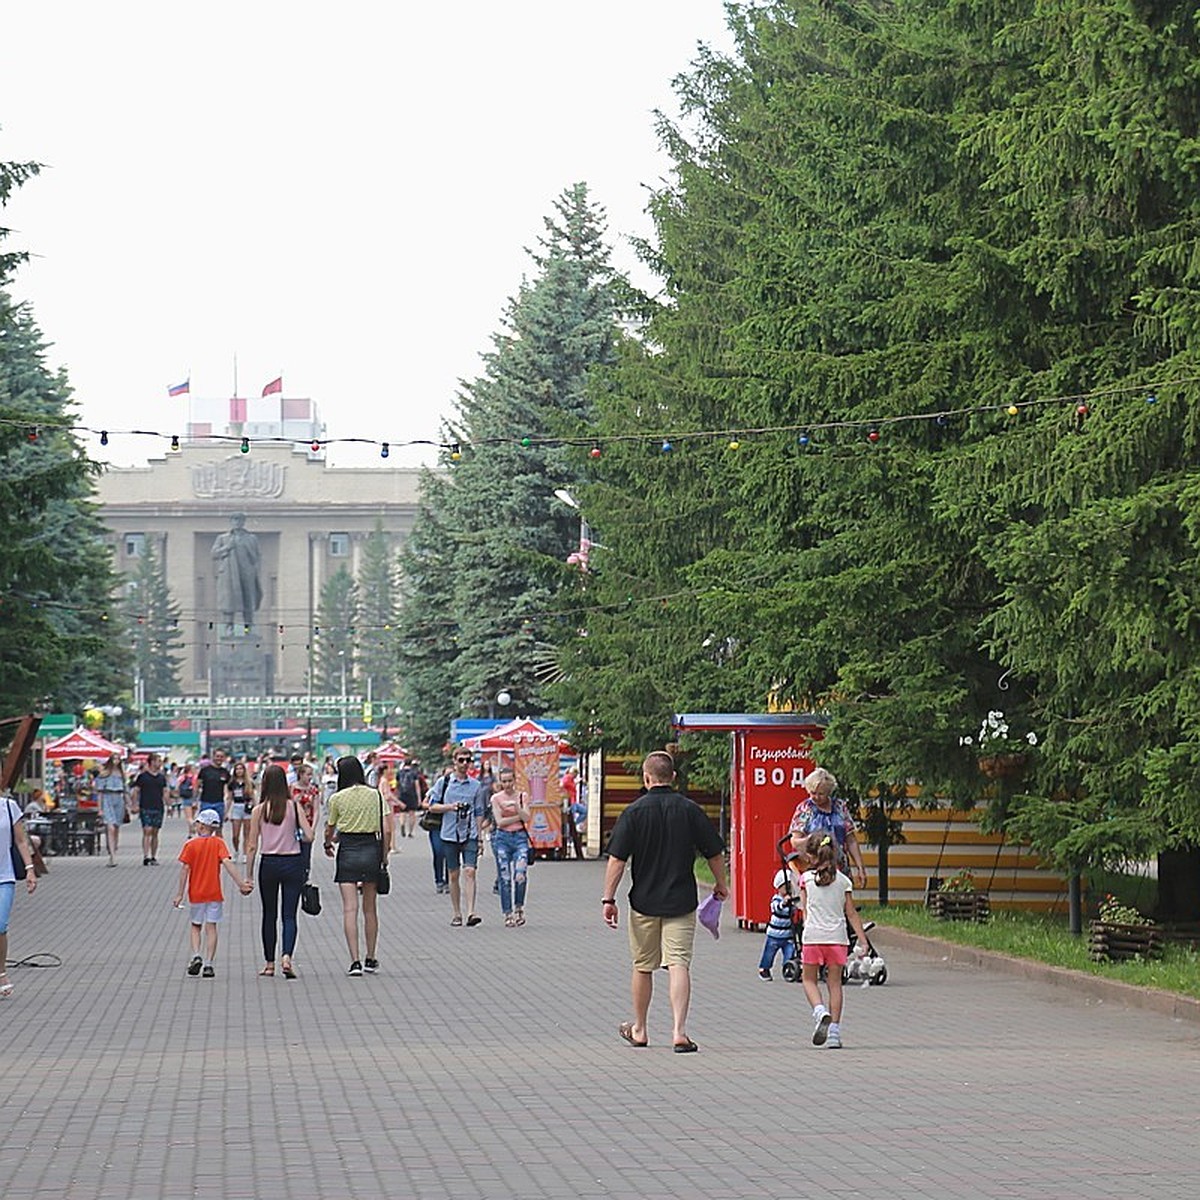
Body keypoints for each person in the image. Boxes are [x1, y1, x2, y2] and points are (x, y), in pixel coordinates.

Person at [602, 751, 728, 1053]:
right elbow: (714, 852)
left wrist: (608, 899)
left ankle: (641, 1029)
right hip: (681, 901)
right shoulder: (690, 810)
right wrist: (721, 884)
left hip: (643, 901)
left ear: (646, 779)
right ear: (673, 777)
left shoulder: (633, 812)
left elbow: (617, 860)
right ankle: (679, 1032)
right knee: (678, 963)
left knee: (643, 966)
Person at [797, 832, 871, 1050]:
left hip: (813, 937)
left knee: (809, 980)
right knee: (835, 984)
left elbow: (804, 911)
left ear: (810, 857)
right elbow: (851, 913)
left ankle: (820, 1012)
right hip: (837, 939)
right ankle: (835, 1034)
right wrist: (863, 940)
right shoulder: (844, 882)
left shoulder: (806, 880)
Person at [323, 755, 392, 976]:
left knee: (349, 908)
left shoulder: (337, 798)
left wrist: (327, 843)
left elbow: (330, 827)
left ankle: (354, 962)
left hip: (348, 849)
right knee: (370, 909)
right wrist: (384, 855)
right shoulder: (376, 795)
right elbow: (387, 829)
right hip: (371, 848)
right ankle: (371, 957)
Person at [245, 765, 313, 979]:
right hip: (293, 862)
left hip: (269, 863)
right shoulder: (293, 807)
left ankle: (269, 963)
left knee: (269, 914)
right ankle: (287, 957)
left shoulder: (259, 810)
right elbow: (310, 836)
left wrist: (247, 875)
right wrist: (295, 836)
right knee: (289, 915)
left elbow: (251, 845)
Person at [173, 808, 253, 978]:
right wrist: (241, 883)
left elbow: (185, 869)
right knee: (211, 927)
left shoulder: (190, 845)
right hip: (214, 893)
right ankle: (209, 963)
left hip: (196, 893)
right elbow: (228, 864)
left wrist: (180, 893)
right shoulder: (219, 843)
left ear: (202, 826)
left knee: (196, 926)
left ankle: (196, 955)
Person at [426, 748, 488, 926]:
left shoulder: (476, 785)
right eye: (461, 760)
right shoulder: (444, 782)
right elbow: (431, 806)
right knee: (453, 875)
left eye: (468, 760)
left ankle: (471, 912)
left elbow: (479, 812)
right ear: (454, 761)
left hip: (469, 834)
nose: (464, 764)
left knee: (470, 871)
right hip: (449, 834)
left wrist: (480, 837)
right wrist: (451, 807)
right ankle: (457, 913)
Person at [787, 767, 868, 890]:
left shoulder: (840, 807)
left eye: (821, 794)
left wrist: (860, 867)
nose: (816, 797)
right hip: (815, 868)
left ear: (829, 792)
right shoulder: (805, 809)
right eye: (812, 792)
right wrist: (811, 840)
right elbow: (794, 841)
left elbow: (851, 840)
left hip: (839, 867)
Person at [1, 790, 39, 998]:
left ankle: (1, 972)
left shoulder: (8, 806)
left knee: (0, 925)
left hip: (4, 876)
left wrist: (30, 868)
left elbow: (21, 841)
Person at [489, 765, 532, 927]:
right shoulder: (496, 798)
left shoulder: (522, 796)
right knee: (505, 877)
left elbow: (527, 817)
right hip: (502, 839)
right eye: (504, 781)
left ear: (515, 780)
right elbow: (499, 822)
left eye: (510, 781)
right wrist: (516, 816)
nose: (507, 784)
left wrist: (517, 808)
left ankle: (519, 907)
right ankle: (507, 913)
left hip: (520, 837)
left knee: (520, 875)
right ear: (500, 782)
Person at [211, 512, 262, 634]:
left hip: (246, 573)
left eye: (239, 520)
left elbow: (257, 557)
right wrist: (227, 547)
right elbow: (214, 554)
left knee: (248, 601)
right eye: (234, 520)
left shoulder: (251, 538)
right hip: (229, 573)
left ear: (243, 522)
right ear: (231, 522)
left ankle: (248, 628)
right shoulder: (223, 538)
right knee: (229, 601)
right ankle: (229, 627)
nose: (237, 523)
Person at [758, 868, 797, 980]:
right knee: (769, 953)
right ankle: (764, 969)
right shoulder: (776, 900)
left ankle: (788, 967)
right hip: (775, 934)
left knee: (790, 952)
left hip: (788, 934)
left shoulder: (792, 900)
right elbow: (777, 908)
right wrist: (784, 903)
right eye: (786, 887)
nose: (789, 890)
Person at [131, 752, 168, 866]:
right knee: (147, 830)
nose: (160, 763)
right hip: (145, 806)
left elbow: (165, 791)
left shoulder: (161, 777)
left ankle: (153, 856)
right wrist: (135, 804)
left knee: (155, 832)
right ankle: (146, 856)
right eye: (158, 761)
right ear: (151, 762)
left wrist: (168, 803)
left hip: (158, 806)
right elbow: (136, 791)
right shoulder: (143, 776)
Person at [94, 754, 129, 867]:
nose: (116, 761)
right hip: (107, 799)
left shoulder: (122, 775)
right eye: (114, 759)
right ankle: (112, 855)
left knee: (117, 827)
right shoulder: (104, 774)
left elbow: (125, 791)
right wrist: (100, 809)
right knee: (110, 827)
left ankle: (114, 849)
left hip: (119, 799)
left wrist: (129, 804)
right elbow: (99, 792)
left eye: (118, 759)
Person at [420, 765, 449, 895]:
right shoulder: (437, 788)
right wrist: (434, 807)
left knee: (450, 854)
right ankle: (439, 880)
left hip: (450, 824)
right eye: (447, 775)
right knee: (438, 852)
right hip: (436, 824)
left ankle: (449, 881)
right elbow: (425, 803)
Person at [290, 761, 321, 874]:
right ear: (301, 775)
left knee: (306, 853)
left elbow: (316, 810)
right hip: (294, 824)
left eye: (311, 774)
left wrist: (313, 828)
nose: (310, 777)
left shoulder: (313, 790)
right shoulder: (292, 788)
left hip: (308, 823)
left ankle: (305, 877)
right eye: (308, 774)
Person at [226, 760, 255, 861]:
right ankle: (236, 850)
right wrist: (226, 812)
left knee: (246, 833)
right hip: (236, 807)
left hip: (247, 807)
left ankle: (245, 854)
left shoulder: (249, 782)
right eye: (237, 769)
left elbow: (253, 796)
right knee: (235, 835)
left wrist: (256, 808)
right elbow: (229, 798)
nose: (239, 771)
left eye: (241, 769)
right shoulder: (232, 783)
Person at [197, 748, 231, 828]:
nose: (219, 758)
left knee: (218, 828)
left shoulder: (225, 772)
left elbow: (229, 788)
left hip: (219, 803)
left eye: (221, 757)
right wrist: (195, 801)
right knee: (204, 827)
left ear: (224, 758)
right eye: (217, 756)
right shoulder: (205, 770)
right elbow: (197, 785)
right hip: (206, 802)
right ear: (213, 757)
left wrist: (227, 805)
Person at [394, 759, 423, 839]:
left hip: (402, 794)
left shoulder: (399, 772)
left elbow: (397, 785)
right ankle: (410, 832)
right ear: (410, 764)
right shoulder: (414, 773)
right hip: (412, 795)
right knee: (412, 813)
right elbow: (417, 786)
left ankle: (402, 824)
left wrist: (396, 795)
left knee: (402, 812)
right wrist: (419, 798)